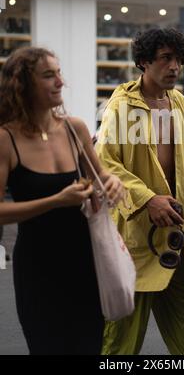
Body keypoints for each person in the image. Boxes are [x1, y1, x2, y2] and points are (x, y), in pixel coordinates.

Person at [96, 28, 184, 355]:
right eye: (166, 58)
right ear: (143, 62)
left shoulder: (178, 101)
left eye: (179, 60)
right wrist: (147, 198)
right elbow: (104, 163)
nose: (175, 67)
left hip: (179, 236)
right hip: (137, 241)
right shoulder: (122, 106)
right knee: (122, 338)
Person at [0, 47, 124, 355]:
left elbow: (102, 177)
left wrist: (113, 184)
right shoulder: (6, 139)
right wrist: (56, 200)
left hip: (86, 263)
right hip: (38, 269)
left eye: (59, 73)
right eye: (48, 75)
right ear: (22, 84)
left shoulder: (75, 128)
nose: (60, 82)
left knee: (91, 347)